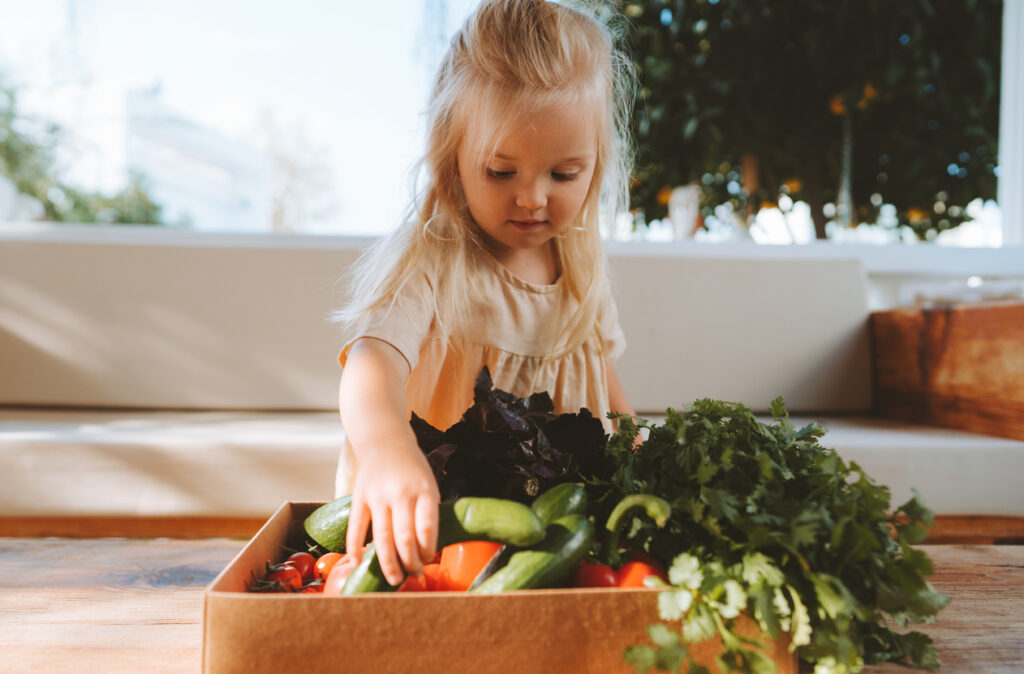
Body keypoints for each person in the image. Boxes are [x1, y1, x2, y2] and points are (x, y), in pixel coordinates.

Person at [333, 0, 637, 587]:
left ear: (596, 166)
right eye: (501, 172)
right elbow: (372, 363)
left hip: (547, 537)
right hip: (435, 531)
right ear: (454, 160)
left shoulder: (579, 269)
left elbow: (607, 388)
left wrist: (640, 449)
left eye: (563, 174)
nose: (532, 198)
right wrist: (388, 451)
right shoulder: (433, 258)